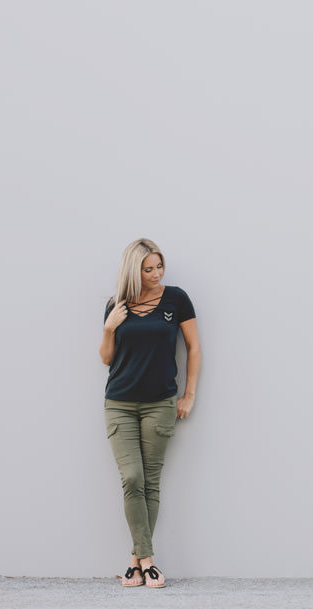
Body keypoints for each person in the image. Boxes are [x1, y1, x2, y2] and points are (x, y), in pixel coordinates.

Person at [99, 238, 201, 588]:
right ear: (134, 270)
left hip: (160, 402)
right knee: (132, 478)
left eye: (159, 267)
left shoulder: (176, 299)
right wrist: (110, 326)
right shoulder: (117, 304)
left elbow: (194, 347)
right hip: (120, 404)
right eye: (148, 269)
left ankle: (135, 561)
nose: (156, 274)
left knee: (151, 481)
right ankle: (147, 560)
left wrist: (188, 395)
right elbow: (106, 358)